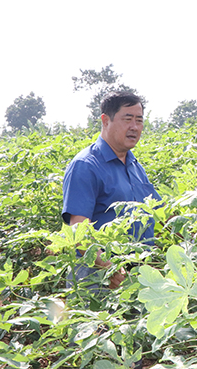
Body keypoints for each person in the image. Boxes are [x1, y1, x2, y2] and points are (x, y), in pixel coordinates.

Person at [62, 91, 162, 292]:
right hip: (98, 277)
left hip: (137, 274)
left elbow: (158, 216)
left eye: (139, 120)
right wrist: (110, 267)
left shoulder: (135, 166)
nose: (134, 127)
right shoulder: (85, 165)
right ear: (105, 120)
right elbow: (78, 231)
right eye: (128, 119)